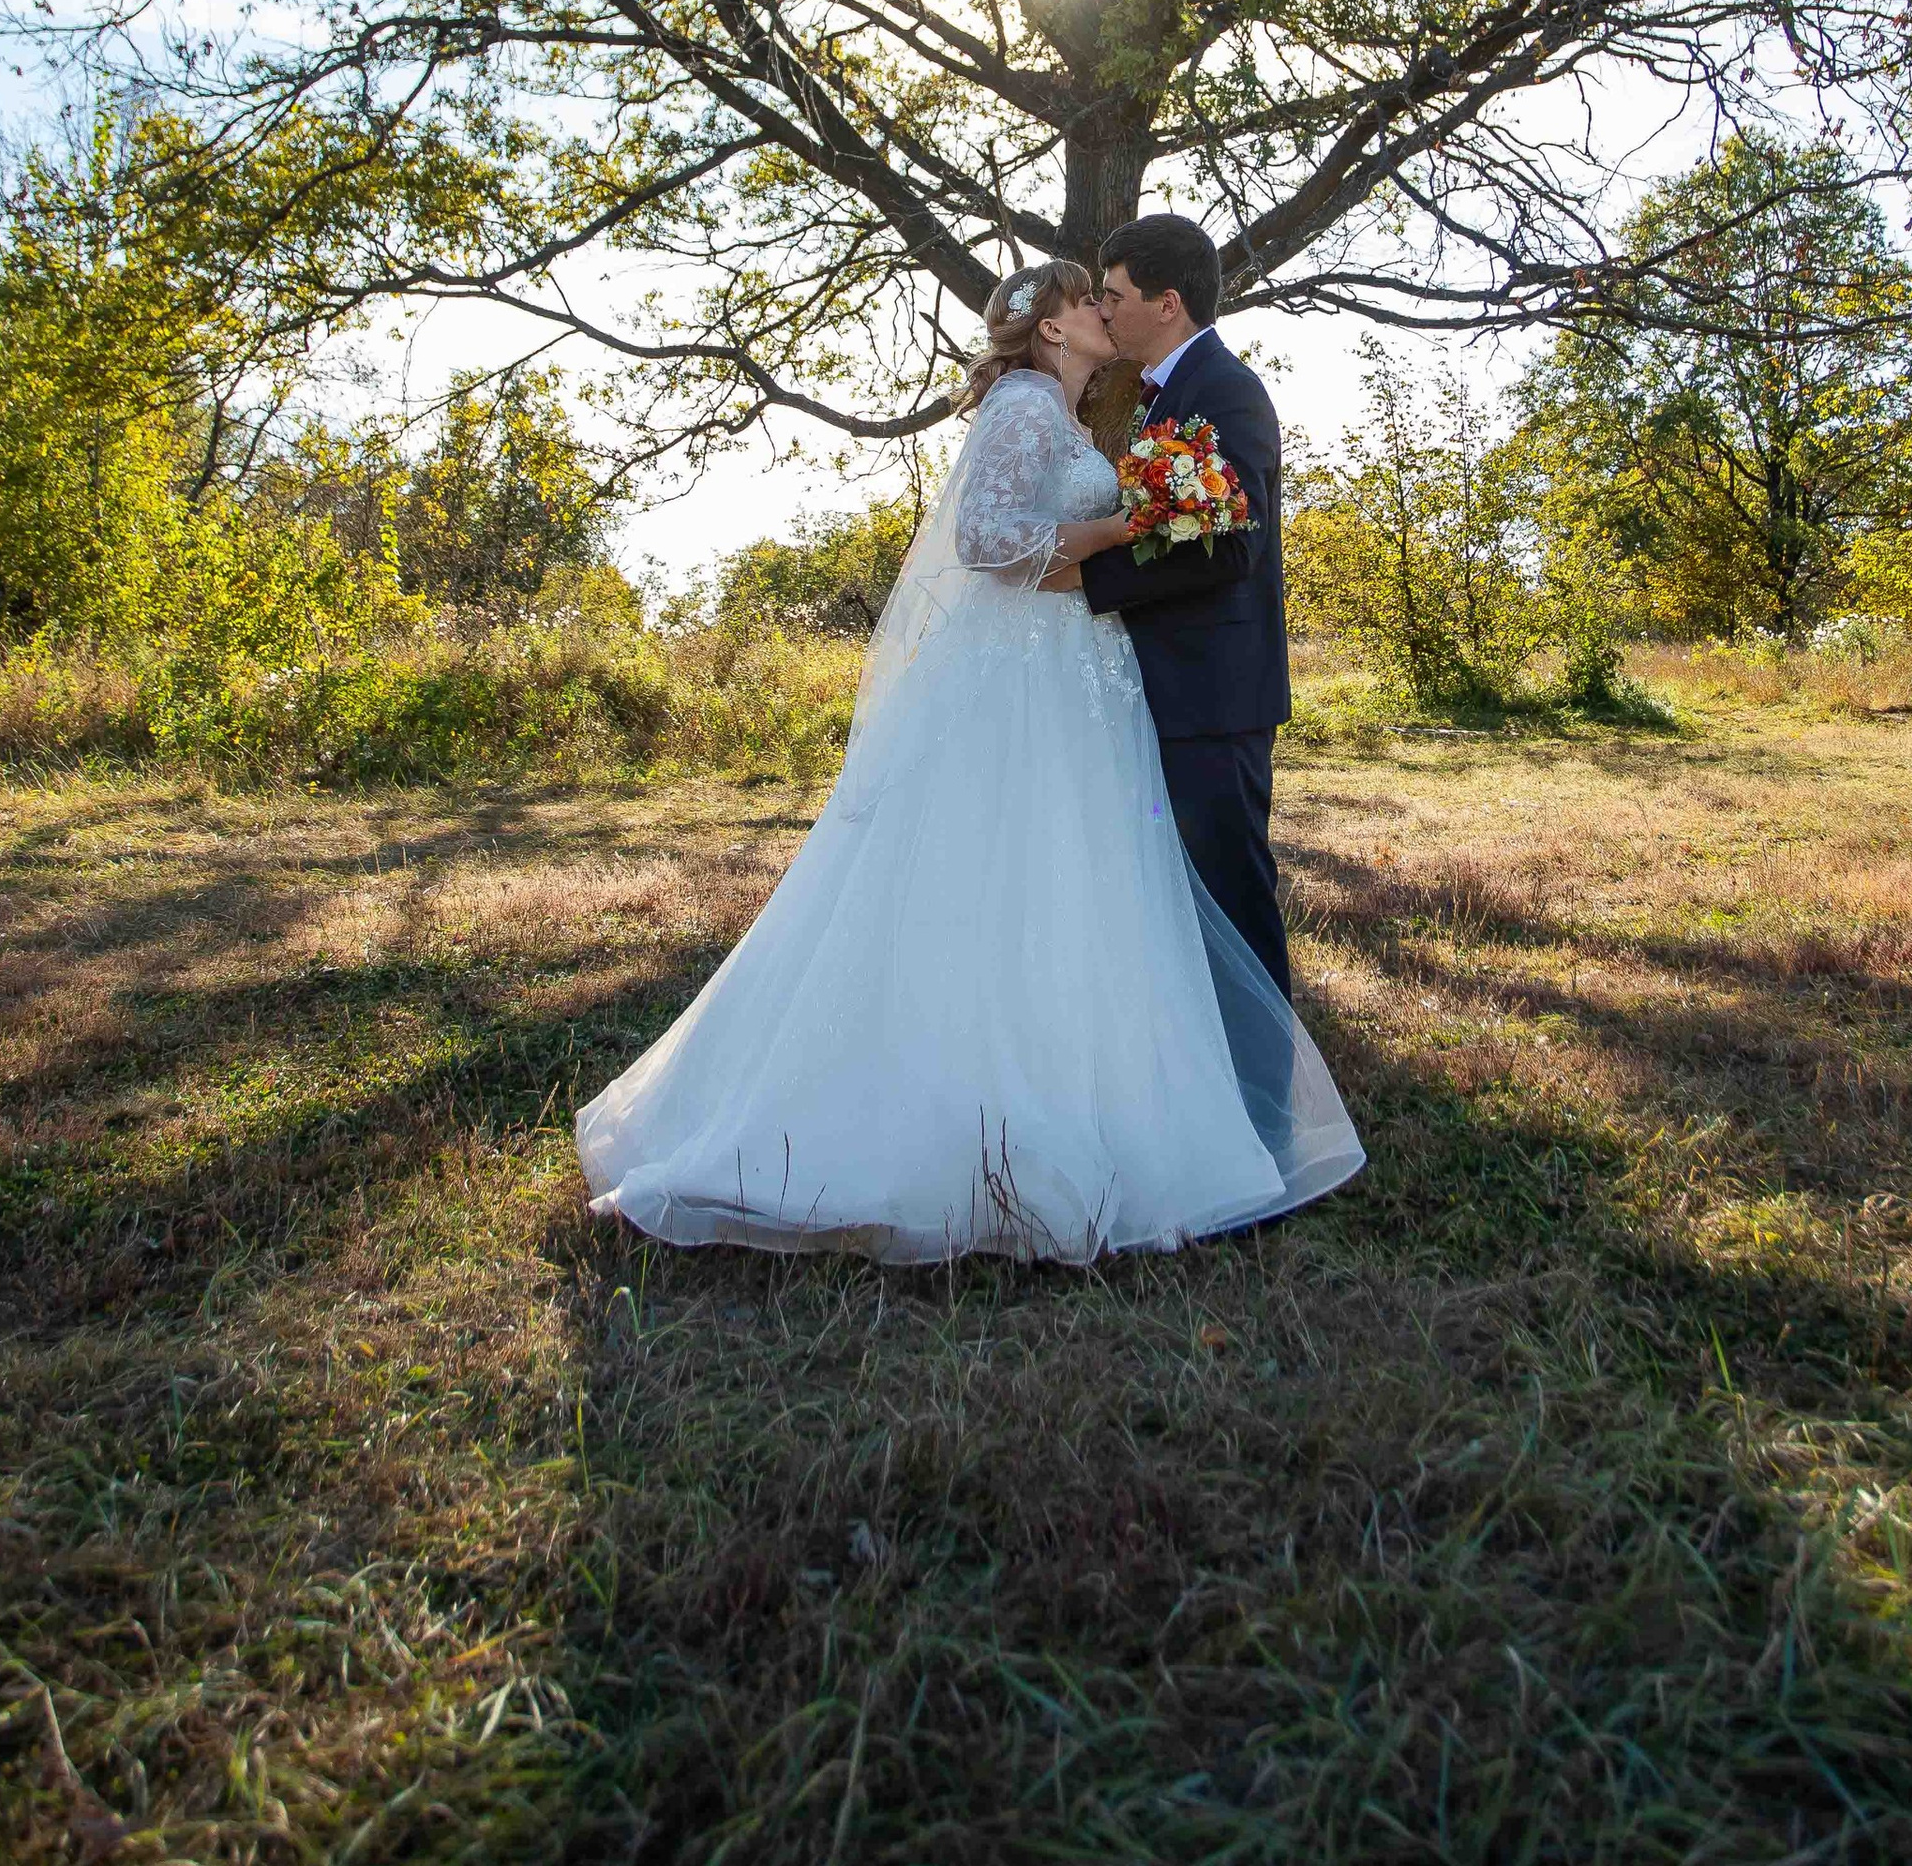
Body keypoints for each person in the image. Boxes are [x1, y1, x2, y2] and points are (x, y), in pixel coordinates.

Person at [575, 258, 1362, 1261]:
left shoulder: (1074, 412)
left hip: (1078, 673)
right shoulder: (1026, 407)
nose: (1102, 309)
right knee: (1001, 875)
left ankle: (1088, 1099)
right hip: (1026, 676)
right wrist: (1124, 524)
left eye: (1110, 294)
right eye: (1087, 299)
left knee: (1072, 885)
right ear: (1050, 329)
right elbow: (988, 542)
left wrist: (1128, 530)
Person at [1076, 212, 1294, 999]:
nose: (1103, 310)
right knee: (1187, 904)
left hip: (1214, 695)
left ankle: (1261, 1072)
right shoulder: (1167, 394)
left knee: (1231, 899)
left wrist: (1088, 583)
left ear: (1166, 303)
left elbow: (1232, 547)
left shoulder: (1225, 391)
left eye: (1113, 295)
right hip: (1178, 690)